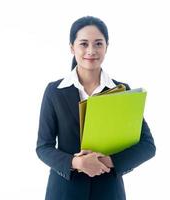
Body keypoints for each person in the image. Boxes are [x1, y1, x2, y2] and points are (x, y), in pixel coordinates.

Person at [36, 16, 156, 200]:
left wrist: (107, 161)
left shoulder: (122, 92)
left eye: (98, 44)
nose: (91, 50)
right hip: (64, 191)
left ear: (107, 46)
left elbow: (147, 146)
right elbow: (44, 147)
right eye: (83, 44)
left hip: (108, 191)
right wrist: (77, 162)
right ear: (71, 47)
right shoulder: (55, 91)